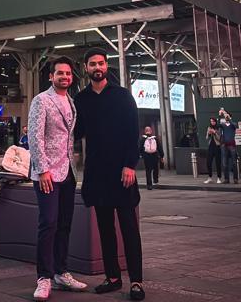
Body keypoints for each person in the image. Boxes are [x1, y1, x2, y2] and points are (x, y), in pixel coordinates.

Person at [74, 49, 145, 301]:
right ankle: (113, 277)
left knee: (129, 229)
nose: (98, 67)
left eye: (101, 63)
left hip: (121, 172)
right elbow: (76, 132)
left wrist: (129, 165)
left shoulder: (123, 96)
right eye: (93, 63)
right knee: (105, 229)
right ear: (86, 67)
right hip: (97, 173)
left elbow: (132, 131)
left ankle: (136, 281)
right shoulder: (80, 99)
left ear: (106, 66)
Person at [27, 57, 91, 300]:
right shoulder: (41, 100)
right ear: (50, 77)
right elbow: (35, 137)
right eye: (59, 73)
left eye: (68, 73)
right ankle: (43, 277)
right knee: (48, 223)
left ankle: (61, 272)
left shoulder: (72, 102)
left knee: (64, 224)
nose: (64, 77)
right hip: (47, 174)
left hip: (68, 173)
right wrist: (42, 170)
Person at [218, 109, 239, 184]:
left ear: (230, 117)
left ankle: (235, 179)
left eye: (228, 116)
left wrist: (229, 119)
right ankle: (226, 179)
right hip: (224, 145)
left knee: (234, 162)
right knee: (224, 163)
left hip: (232, 145)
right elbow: (218, 125)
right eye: (225, 116)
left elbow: (235, 126)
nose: (226, 117)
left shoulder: (233, 124)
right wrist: (220, 115)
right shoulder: (223, 125)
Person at [139, 126, 163, 190]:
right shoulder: (143, 139)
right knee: (148, 170)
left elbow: (159, 147)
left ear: (151, 131)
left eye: (149, 129)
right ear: (145, 131)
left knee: (155, 168)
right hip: (147, 156)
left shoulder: (154, 138)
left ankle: (155, 179)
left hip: (154, 155)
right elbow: (140, 148)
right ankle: (149, 185)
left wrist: (161, 155)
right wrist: (142, 155)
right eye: (147, 129)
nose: (148, 131)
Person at [203, 118, 223, 184]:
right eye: (211, 121)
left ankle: (219, 178)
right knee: (208, 162)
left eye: (213, 121)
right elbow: (206, 138)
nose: (212, 122)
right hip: (210, 147)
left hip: (217, 147)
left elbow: (219, 138)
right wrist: (209, 133)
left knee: (218, 163)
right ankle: (209, 178)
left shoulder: (219, 128)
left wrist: (214, 132)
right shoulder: (209, 127)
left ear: (215, 122)